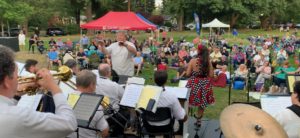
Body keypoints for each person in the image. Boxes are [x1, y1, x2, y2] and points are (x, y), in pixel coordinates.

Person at [0, 45, 77, 138]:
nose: (18, 80)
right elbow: (69, 124)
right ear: (7, 81)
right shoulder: (19, 117)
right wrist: (53, 87)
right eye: (17, 77)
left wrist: (16, 94)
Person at [68, 70, 109, 138]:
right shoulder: (96, 106)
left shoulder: (66, 99)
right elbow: (105, 132)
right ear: (91, 85)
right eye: (95, 84)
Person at [186, 45, 214, 126]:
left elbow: (187, 74)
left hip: (194, 83)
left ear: (198, 51)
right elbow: (211, 75)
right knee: (202, 103)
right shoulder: (208, 62)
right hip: (205, 84)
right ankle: (199, 121)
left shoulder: (192, 61)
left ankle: (185, 121)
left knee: (188, 102)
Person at [95, 64, 126, 137]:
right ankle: (117, 133)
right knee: (125, 113)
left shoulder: (93, 83)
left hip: (97, 113)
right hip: (111, 115)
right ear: (109, 73)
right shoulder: (115, 85)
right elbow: (124, 98)